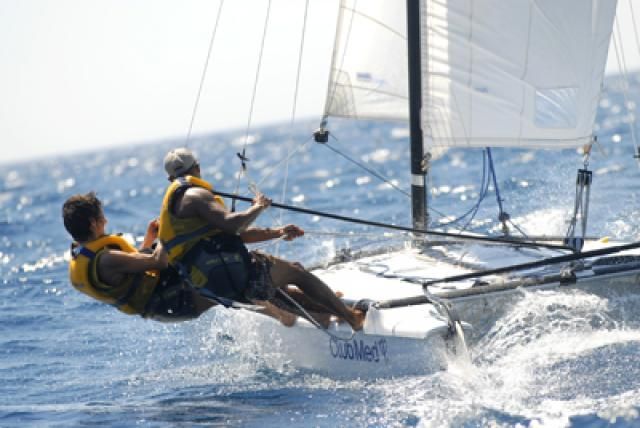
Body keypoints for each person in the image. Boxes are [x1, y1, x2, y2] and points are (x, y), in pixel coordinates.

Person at [158, 147, 365, 330]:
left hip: (212, 285)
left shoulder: (176, 207)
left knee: (273, 286)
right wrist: (258, 206)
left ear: (170, 179)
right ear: (197, 167)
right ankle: (352, 318)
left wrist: (278, 232)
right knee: (296, 272)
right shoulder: (196, 195)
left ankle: (322, 315)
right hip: (230, 274)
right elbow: (232, 224)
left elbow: (236, 234)